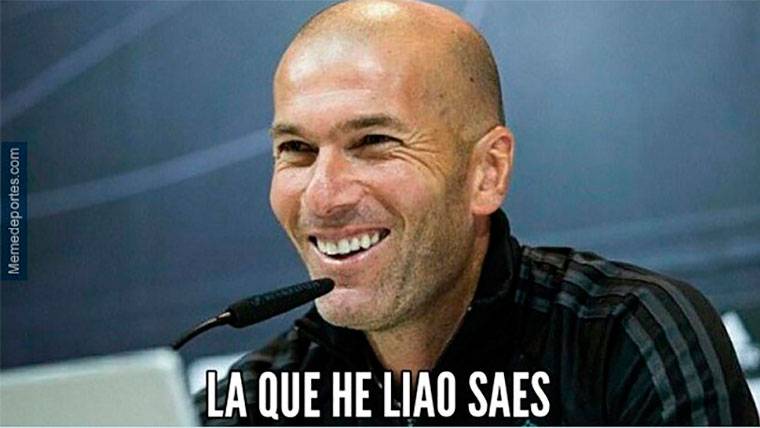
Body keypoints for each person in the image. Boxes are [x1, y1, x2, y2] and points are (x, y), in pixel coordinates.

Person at [196, 0, 758, 425]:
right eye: (296, 150)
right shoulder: (255, 401)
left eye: (374, 142)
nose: (323, 196)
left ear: (487, 172)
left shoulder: (626, 337)